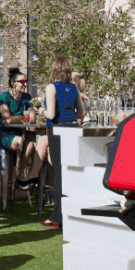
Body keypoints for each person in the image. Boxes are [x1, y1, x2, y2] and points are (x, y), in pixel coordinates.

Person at [38, 56, 85, 229]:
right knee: (71, 173)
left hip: (57, 131)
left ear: (54, 70)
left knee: (59, 173)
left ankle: (58, 216)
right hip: (73, 130)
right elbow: (81, 114)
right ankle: (71, 212)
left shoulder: (51, 88)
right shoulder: (73, 88)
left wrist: (41, 110)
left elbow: (50, 115)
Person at [0, 67, 41, 189]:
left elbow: (32, 119)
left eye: (26, 81)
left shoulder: (27, 97)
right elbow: (6, 118)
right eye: (22, 81)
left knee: (35, 142)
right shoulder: (4, 97)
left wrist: (15, 118)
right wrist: (23, 118)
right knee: (23, 142)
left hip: (19, 132)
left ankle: (19, 177)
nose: (25, 84)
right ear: (14, 84)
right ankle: (18, 179)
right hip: (2, 133)